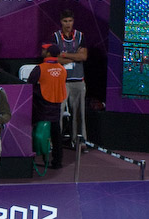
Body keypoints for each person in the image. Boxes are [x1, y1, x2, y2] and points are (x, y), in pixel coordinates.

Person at [28, 43, 67, 171]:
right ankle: (57, 162)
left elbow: (29, 85)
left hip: (41, 108)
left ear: (49, 53)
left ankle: (31, 160)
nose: (43, 51)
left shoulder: (40, 68)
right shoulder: (62, 69)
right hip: (56, 107)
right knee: (56, 136)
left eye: (45, 50)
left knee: (35, 133)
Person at [51, 9, 88, 146]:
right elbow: (55, 59)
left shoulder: (80, 36)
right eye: (65, 21)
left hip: (78, 80)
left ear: (73, 21)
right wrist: (75, 56)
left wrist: (64, 54)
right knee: (58, 112)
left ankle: (79, 142)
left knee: (79, 113)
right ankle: (56, 143)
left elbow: (83, 56)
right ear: (61, 22)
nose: (68, 24)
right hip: (62, 81)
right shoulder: (55, 37)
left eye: (70, 21)